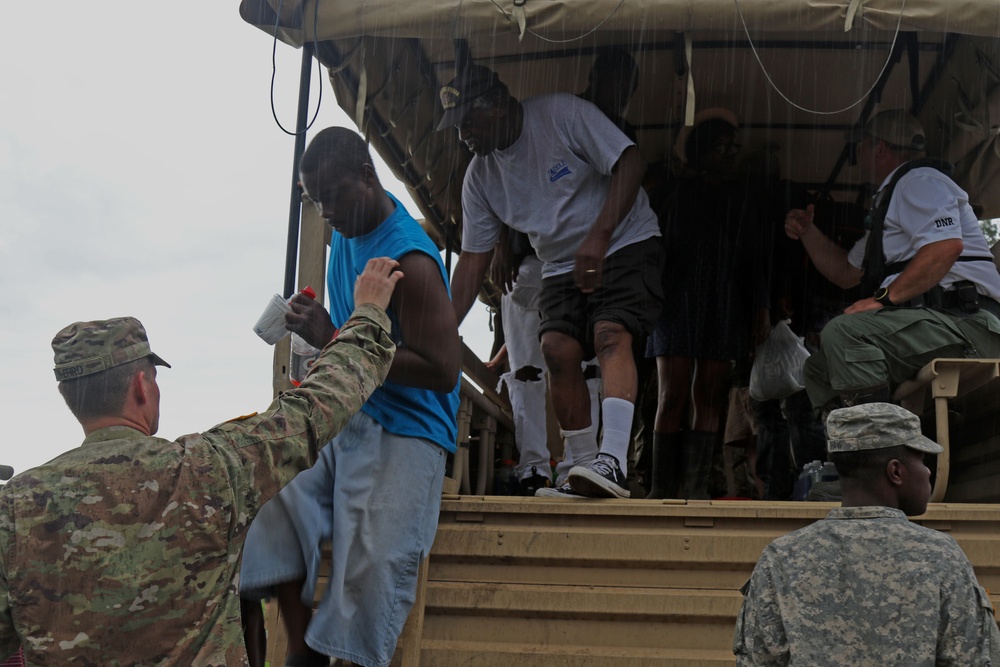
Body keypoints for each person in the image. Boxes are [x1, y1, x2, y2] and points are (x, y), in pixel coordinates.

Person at [0, 259, 402, 666]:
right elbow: (318, 405)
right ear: (143, 386)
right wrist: (368, 312)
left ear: (71, 399)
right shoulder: (209, 469)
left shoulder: (13, 510)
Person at [239, 127, 461, 667]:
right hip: (349, 409)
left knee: (373, 562)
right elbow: (358, 335)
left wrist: (334, 339)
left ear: (367, 178)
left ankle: (342, 654)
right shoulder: (346, 232)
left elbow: (443, 370)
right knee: (268, 500)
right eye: (316, 201)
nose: (328, 212)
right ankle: (302, 642)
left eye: (334, 196)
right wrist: (329, 329)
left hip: (409, 427)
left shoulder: (413, 262)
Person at [440, 62, 663, 499]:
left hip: (624, 238)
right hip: (561, 261)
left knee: (610, 334)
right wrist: (442, 327)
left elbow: (632, 162)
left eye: (469, 120)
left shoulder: (561, 114)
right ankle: (580, 469)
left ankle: (613, 461)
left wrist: (599, 235)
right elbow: (472, 260)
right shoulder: (479, 178)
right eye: (457, 125)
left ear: (500, 104)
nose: (463, 134)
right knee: (556, 349)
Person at [734, 402, 1000, 664]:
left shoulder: (781, 558)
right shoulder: (942, 556)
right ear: (895, 471)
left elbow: (758, 659)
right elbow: (975, 659)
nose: (928, 470)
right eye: (922, 459)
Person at [486, 49, 641, 496]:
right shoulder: (564, 117)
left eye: (628, 86)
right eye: (614, 79)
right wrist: (500, 241)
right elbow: (493, 174)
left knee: (586, 361)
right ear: (594, 75)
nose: (620, 93)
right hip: (526, 260)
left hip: (587, 263)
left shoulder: (618, 132)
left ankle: (584, 462)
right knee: (529, 368)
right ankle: (532, 464)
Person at [785, 109, 1000, 413]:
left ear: (879, 148)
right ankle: (851, 452)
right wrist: (808, 231)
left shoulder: (918, 179)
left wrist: (884, 299)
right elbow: (847, 272)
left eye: (859, 146)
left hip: (968, 324)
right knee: (819, 369)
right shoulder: (891, 200)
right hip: (937, 326)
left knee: (844, 332)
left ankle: (882, 452)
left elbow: (945, 247)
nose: (857, 154)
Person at [644, 109, 771, 499]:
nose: (729, 154)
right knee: (671, 393)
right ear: (700, 149)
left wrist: (760, 309)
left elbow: (756, 259)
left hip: (723, 298)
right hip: (675, 298)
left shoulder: (743, 198)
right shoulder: (669, 192)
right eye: (721, 147)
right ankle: (661, 488)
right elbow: (649, 248)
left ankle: (696, 489)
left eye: (734, 148)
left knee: (709, 396)